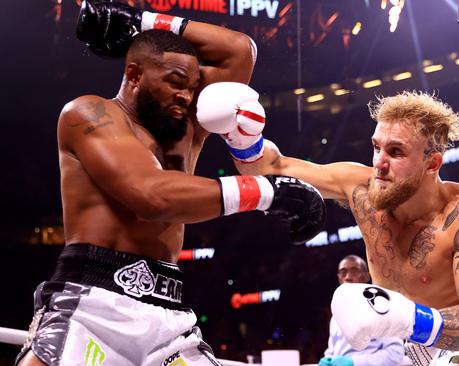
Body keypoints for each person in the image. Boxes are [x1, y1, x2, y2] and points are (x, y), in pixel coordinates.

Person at [17, 2, 325, 365]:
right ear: (133, 75)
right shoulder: (89, 114)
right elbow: (151, 196)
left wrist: (140, 21)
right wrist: (267, 192)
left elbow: (239, 50)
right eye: (175, 83)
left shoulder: (185, 129)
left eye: (193, 88)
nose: (186, 96)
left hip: (167, 310)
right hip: (92, 301)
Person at [196, 84, 459, 366]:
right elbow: (274, 167)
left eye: (396, 152)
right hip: (414, 348)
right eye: (377, 147)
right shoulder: (362, 188)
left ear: (432, 163)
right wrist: (242, 137)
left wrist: (404, 317)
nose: (380, 164)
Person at [319, 255, 404, 366]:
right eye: (343, 272)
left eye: (355, 271)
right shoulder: (336, 314)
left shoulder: (382, 308)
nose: (348, 277)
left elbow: (395, 354)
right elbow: (333, 350)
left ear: (367, 276)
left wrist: (354, 363)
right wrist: (328, 359)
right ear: (339, 278)